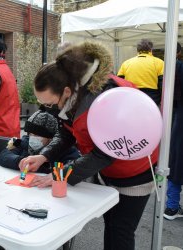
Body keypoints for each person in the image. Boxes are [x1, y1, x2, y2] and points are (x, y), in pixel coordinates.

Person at [21, 42, 159, 250]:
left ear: (66, 91)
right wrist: (44, 156)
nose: (48, 109)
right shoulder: (75, 95)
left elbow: (105, 153)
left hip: (134, 173)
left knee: (120, 231)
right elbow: (67, 132)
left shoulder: (105, 99)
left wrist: (61, 174)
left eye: (50, 103)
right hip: (108, 170)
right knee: (111, 225)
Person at [0, 108, 78, 172]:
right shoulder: (23, 142)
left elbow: (72, 168)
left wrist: (41, 167)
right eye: (30, 134)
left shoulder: (65, 149)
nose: (32, 137)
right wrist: (21, 162)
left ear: (51, 138)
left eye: (37, 135)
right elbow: (3, 156)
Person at [164, 42, 183, 220]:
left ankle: (172, 206)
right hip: (178, 116)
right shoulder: (176, 66)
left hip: (178, 117)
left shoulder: (175, 66)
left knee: (177, 160)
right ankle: (172, 206)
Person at [117, 38, 164, 105]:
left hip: (131, 95)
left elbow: (119, 81)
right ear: (151, 49)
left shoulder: (126, 63)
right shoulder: (159, 62)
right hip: (152, 97)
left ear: (137, 49)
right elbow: (162, 83)